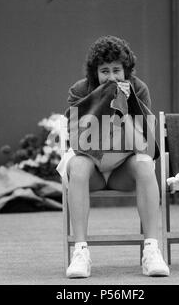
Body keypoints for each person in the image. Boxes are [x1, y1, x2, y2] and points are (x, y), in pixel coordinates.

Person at [57, 35, 169, 278]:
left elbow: (144, 147)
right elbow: (79, 144)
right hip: (92, 168)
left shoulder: (138, 89)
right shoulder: (79, 91)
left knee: (144, 164)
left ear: (126, 71)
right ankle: (80, 252)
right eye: (104, 71)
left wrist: (124, 108)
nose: (111, 77)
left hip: (122, 171)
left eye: (117, 70)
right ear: (94, 73)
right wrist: (101, 101)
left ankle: (151, 250)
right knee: (77, 165)